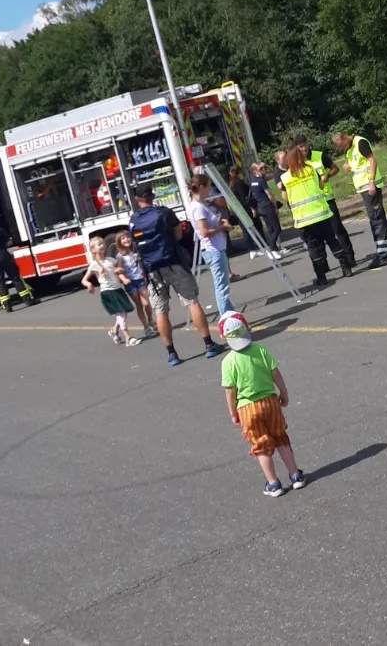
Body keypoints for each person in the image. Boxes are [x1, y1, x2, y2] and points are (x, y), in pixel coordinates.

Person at [128, 184, 222, 367]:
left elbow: (134, 243)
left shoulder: (133, 220)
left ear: (137, 199)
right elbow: (178, 234)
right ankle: (209, 344)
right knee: (192, 302)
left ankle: (172, 353)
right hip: (173, 262)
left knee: (161, 310)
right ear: (152, 196)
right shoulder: (164, 213)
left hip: (152, 269)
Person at [219, 311, 305, 497]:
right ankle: (295, 475)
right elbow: (275, 373)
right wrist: (284, 392)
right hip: (270, 401)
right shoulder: (260, 350)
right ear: (247, 328)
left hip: (247, 408)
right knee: (280, 437)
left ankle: (273, 484)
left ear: (223, 337)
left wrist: (233, 412)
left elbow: (230, 391)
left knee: (261, 445)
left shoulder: (228, 362)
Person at [282, 144, 354, 286]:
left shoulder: (285, 177)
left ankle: (321, 277)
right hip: (321, 213)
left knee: (313, 247)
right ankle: (346, 268)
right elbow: (321, 186)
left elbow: (285, 198)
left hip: (304, 219)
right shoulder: (311, 169)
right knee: (332, 240)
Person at [332, 131, 387, 268]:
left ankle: (384, 255)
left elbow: (372, 161)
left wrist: (372, 181)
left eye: (342, 145)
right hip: (364, 187)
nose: (342, 148)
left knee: (376, 220)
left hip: (370, 186)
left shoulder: (360, 142)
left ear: (345, 138)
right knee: (377, 219)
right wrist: (347, 166)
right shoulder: (349, 148)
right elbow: (357, 164)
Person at [292, 134, 355, 265]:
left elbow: (335, 169)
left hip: (326, 198)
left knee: (337, 229)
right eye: (300, 147)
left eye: (305, 145)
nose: (304, 149)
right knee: (318, 236)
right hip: (311, 204)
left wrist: (327, 175)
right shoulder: (295, 163)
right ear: (296, 148)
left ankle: (349, 257)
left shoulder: (319, 156)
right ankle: (323, 265)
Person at [188, 173, 236, 317]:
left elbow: (208, 224)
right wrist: (222, 228)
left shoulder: (200, 205)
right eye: (208, 187)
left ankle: (230, 314)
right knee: (222, 287)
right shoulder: (198, 207)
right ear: (201, 187)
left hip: (215, 248)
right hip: (213, 249)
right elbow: (204, 232)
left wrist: (220, 223)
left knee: (223, 285)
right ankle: (226, 318)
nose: (210, 190)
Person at [82, 235, 142, 347]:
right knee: (122, 314)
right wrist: (89, 284)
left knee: (122, 313)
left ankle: (114, 331)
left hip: (118, 289)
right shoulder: (94, 265)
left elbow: (121, 269)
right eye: (99, 244)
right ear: (93, 250)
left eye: (103, 244)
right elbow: (84, 280)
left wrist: (120, 270)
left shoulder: (111, 260)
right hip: (108, 292)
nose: (102, 246)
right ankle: (128, 338)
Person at [0, 212, 36, 312]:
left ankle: (8, 306)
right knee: (15, 277)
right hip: (3, 254)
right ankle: (28, 300)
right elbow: (9, 242)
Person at [115, 231, 156, 338]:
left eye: (127, 237)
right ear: (119, 242)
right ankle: (146, 327)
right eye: (123, 238)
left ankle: (150, 320)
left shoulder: (135, 250)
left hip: (140, 279)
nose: (126, 240)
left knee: (147, 303)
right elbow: (119, 270)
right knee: (139, 305)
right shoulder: (120, 256)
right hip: (130, 282)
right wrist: (124, 279)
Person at [227, 165, 266, 259]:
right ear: (240, 172)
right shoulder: (239, 183)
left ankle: (252, 249)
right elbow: (244, 197)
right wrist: (252, 207)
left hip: (238, 210)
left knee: (245, 229)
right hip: (246, 208)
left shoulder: (231, 184)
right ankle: (262, 246)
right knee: (257, 226)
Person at [249, 161, 284, 257]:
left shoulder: (252, 181)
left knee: (270, 228)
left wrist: (253, 208)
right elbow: (270, 194)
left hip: (260, 207)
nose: (263, 170)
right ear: (254, 171)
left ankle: (275, 250)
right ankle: (271, 248)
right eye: (261, 169)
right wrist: (275, 206)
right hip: (267, 205)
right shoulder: (261, 180)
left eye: (264, 168)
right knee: (277, 228)